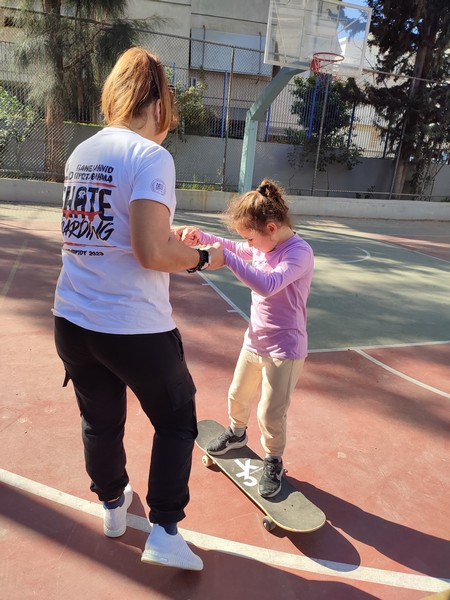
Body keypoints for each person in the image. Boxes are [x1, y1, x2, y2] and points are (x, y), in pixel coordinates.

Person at [53, 47, 223, 571]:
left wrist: (171, 237)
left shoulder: (81, 153)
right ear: (157, 104)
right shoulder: (151, 157)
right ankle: (166, 531)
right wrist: (203, 257)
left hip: (73, 319)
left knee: (100, 421)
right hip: (132, 326)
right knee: (176, 420)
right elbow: (151, 253)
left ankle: (112, 505)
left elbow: (107, 233)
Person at [178, 179, 314, 499]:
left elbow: (268, 285)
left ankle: (273, 459)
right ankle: (237, 434)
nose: (247, 244)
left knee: (270, 412)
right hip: (255, 340)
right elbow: (235, 246)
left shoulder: (298, 253)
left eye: (250, 237)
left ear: (271, 228)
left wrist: (226, 260)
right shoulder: (261, 244)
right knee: (238, 394)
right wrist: (202, 237)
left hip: (285, 349)